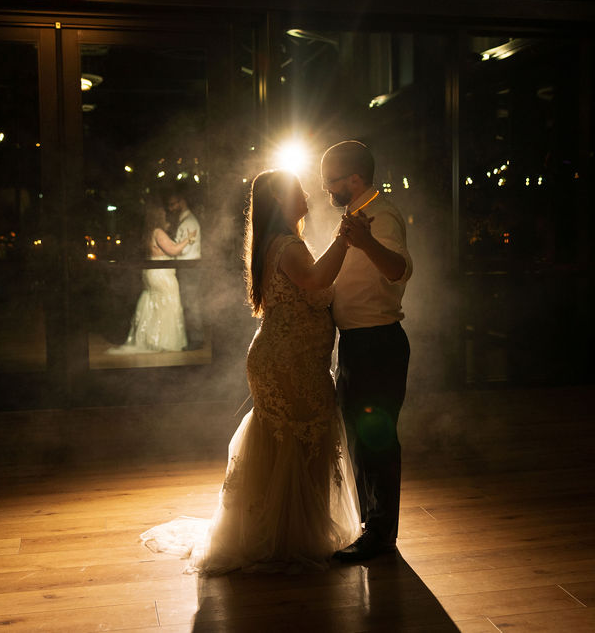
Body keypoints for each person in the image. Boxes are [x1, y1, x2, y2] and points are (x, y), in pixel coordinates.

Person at [140, 169, 362, 574]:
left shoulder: (273, 243)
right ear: (281, 200)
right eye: (300, 193)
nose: (309, 200)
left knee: (290, 443)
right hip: (288, 362)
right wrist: (345, 238)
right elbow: (315, 281)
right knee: (300, 440)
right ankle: (287, 539)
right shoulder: (290, 246)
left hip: (287, 359)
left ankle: (280, 533)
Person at [321, 140, 413, 562]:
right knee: (360, 439)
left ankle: (380, 535)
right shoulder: (355, 215)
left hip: (377, 342)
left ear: (354, 179)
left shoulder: (382, 214)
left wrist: (366, 242)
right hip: (360, 341)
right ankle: (370, 527)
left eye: (331, 182)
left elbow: (399, 269)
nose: (327, 190)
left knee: (376, 441)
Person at [107, 205, 195, 354]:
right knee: (168, 302)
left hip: (151, 274)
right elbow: (172, 250)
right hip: (161, 274)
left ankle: (149, 339)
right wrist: (188, 239)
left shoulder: (148, 234)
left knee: (153, 302)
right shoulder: (158, 232)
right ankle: (163, 342)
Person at [166, 190, 205, 350]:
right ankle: (194, 338)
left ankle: (196, 339)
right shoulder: (186, 221)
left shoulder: (188, 223)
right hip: (188, 266)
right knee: (189, 302)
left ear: (182, 202)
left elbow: (181, 249)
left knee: (191, 302)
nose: (170, 208)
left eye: (173, 204)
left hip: (188, 267)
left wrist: (169, 247)